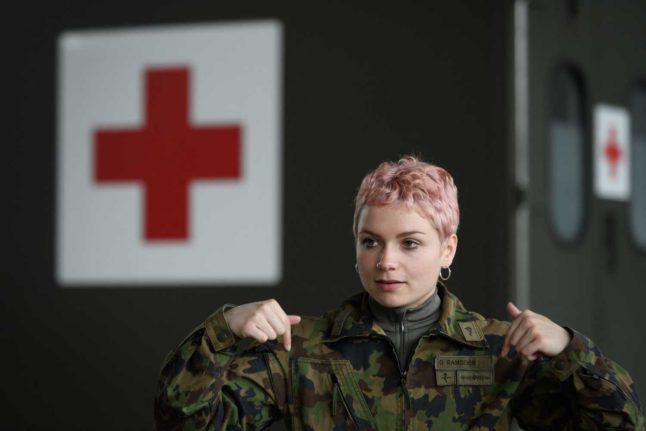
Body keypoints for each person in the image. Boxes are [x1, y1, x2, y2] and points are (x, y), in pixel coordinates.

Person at [154, 155, 644, 430]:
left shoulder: (501, 351)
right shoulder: (302, 349)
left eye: (410, 243)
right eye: (371, 242)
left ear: (447, 249)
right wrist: (223, 330)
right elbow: (186, 423)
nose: (386, 261)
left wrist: (571, 351)